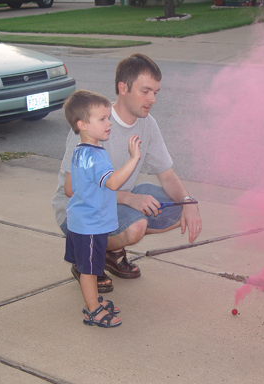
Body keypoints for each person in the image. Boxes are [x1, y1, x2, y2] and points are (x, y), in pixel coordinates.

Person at [52, 53, 202, 291]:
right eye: (145, 91)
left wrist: (189, 201)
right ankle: (86, 259)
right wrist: (129, 198)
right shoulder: (93, 123)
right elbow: (73, 190)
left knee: (178, 208)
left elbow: (166, 174)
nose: (152, 98)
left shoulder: (147, 124)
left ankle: (110, 252)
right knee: (136, 226)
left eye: (155, 92)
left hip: (115, 204)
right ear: (123, 87)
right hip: (81, 212)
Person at [64, 89, 141, 328]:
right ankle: (93, 309)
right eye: (102, 119)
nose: (109, 123)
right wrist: (133, 158)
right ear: (82, 124)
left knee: (90, 267)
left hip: (81, 219)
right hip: (90, 224)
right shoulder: (95, 156)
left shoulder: (80, 150)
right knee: (89, 270)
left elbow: (72, 187)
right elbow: (114, 182)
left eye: (108, 117)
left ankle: (94, 300)